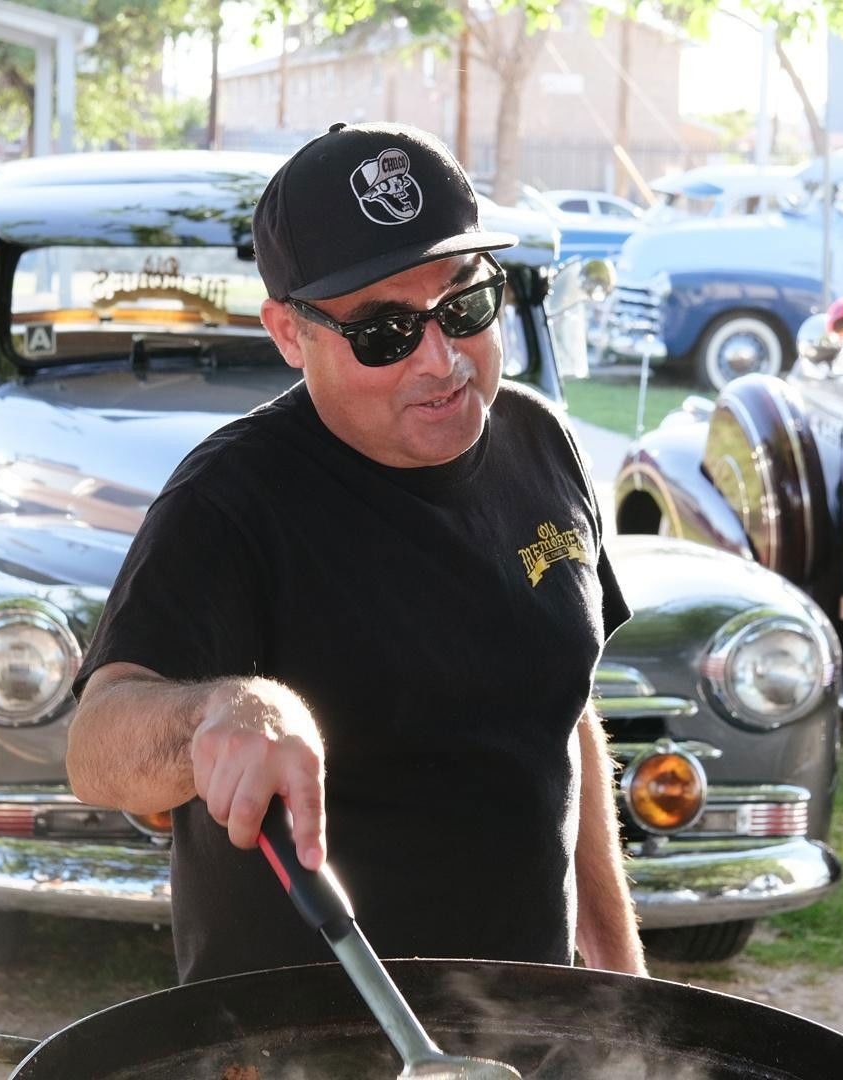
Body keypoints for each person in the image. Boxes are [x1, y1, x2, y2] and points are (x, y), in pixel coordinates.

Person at [66, 122, 645, 985]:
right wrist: (220, 710)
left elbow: (565, 715)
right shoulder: (228, 501)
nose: (442, 361)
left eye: (465, 306)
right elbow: (95, 749)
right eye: (384, 332)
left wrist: (619, 975)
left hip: (529, 1017)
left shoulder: (542, 442)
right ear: (288, 334)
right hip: (303, 1031)